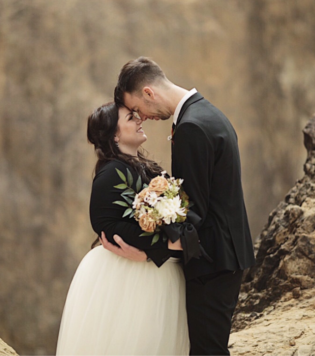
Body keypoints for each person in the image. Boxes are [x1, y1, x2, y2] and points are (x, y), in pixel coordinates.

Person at [102, 57, 257, 355]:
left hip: (212, 262)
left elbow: (192, 212)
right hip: (226, 255)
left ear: (148, 93)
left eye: (137, 109)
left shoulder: (191, 127)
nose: (141, 117)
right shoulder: (207, 112)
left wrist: (148, 250)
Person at [56, 102, 190, 355]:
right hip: (128, 275)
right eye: (131, 117)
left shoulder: (147, 168)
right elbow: (105, 225)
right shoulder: (111, 173)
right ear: (114, 135)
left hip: (158, 269)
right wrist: (160, 247)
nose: (139, 120)